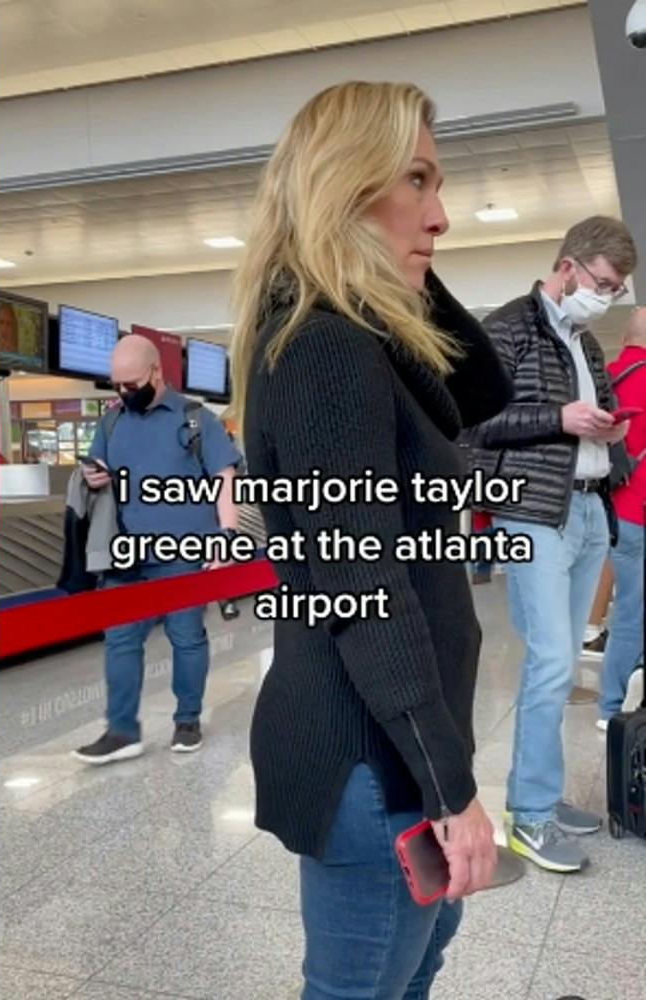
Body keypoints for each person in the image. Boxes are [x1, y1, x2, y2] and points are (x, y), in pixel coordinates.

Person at [233, 82, 511, 996]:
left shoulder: (360, 336)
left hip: (398, 743)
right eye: (417, 182)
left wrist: (398, 256)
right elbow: (362, 590)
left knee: (410, 972)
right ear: (344, 188)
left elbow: (482, 391)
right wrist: (448, 790)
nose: (441, 215)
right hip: (373, 758)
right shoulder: (322, 349)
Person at [462, 215, 635, 872]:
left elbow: (583, 426)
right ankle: (528, 816)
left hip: (587, 510)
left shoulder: (585, 344)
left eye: (616, 291)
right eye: (602, 283)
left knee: (558, 670)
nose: (607, 297)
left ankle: (546, 796)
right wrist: (560, 420)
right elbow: (470, 422)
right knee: (553, 664)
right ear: (568, 265)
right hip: (535, 516)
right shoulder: (507, 327)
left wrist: (607, 436)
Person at [70, 334, 240, 765]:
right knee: (120, 641)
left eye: (131, 383)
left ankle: (187, 720)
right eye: (116, 385)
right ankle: (122, 729)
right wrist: (94, 478)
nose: (124, 392)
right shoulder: (111, 423)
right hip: (124, 555)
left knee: (186, 638)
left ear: (155, 372)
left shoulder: (196, 418)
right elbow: (98, 470)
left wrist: (227, 538)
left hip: (184, 552)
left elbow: (224, 479)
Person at [600, 307, 646, 727]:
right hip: (642, 507)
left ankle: (614, 704)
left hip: (614, 507)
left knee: (629, 608)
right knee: (635, 609)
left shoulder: (606, 374)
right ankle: (619, 703)